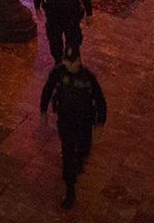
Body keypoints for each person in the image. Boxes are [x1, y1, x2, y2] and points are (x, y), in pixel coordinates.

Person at [38, 47, 106, 209]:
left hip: (84, 122)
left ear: (79, 60)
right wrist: (43, 112)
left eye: (73, 62)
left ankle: (80, 161)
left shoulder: (88, 78)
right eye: (68, 62)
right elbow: (47, 90)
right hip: (66, 120)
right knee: (68, 151)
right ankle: (70, 190)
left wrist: (99, 125)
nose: (71, 65)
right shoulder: (59, 73)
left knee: (83, 148)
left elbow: (101, 102)